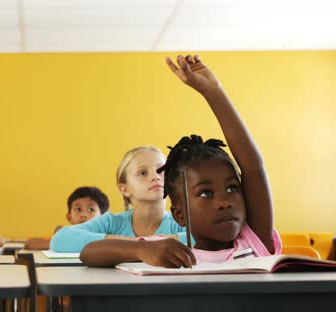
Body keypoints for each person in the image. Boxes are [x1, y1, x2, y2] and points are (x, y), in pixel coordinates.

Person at [81, 55, 281, 267]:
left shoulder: (253, 242)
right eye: (206, 193)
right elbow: (88, 253)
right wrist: (141, 249)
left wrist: (213, 91)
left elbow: (253, 168)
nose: (224, 202)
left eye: (232, 188)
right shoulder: (171, 254)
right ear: (179, 215)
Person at [50, 146, 187, 253]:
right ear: (124, 188)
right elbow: (60, 239)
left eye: (161, 170)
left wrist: (149, 242)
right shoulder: (111, 223)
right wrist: (136, 243)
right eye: (143, 173)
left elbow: (205, 238)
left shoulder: (179, 222)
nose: (156, 177)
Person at [24, 186, 110, 250]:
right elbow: (30, 244)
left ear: (103, 218)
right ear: (69, 217)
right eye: (78, 209)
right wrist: (60, 241)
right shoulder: (65, 236)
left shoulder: (109, 238)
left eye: (91, 209)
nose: (83, 214)